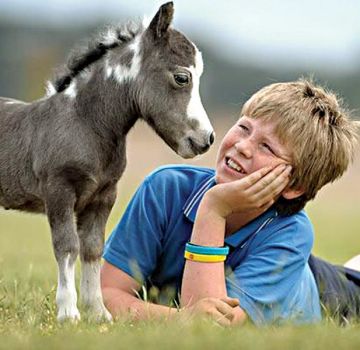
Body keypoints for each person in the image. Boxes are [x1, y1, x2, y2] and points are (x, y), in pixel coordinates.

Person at [100, 79, 360, 326]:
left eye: (267, 147)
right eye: (244, 128)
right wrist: (181, 320)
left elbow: (211, 332)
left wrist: (213, 209)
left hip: (324, 290)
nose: (243, 146)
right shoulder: (165, 189)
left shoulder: (292, 234)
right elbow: (107, 293)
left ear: (294, 185)